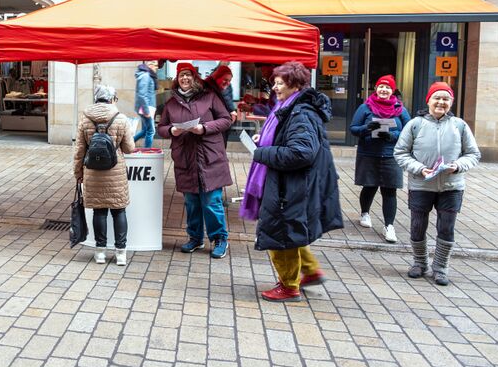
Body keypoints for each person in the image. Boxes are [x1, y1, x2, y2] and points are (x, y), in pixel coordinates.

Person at [249, 61, 342, 302]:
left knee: (279, 232)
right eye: (275, 83)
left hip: (290, 185)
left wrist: (262, 152)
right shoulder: (292, 107)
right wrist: (266, 138)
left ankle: (289, 286)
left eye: (280, 84)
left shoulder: (301, 113)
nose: (275, 89)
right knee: (289, 229)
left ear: (295, 85)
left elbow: (301, 152)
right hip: (292, 184)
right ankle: (310, 272)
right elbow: (287, 138)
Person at [394, 82, 480, 286]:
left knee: (446, 228)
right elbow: (400, 152)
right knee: (417, 226)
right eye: (437, 98)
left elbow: (473, 154)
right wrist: (419, 168)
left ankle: (440, 268)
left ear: (451, 102)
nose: (441, 102)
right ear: (429, 100)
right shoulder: (415, 124)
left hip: (452, 186)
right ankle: (419, 263)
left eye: (446, 99)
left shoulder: (459, 125)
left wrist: (458, 165)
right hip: (421, 185)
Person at [157, 63, 232, 259]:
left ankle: (220, 239)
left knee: (211, 201)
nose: (185, 79)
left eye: (189, 75)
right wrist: (171, 131)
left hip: (210, 156)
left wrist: (204, 128)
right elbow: (161, 128)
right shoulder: (171, 103)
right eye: (182, 75)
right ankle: (195, 238)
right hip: (186, 158)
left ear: (195, 78)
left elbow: (226, 120)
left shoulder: (209, 96)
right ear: (177, 79)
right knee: (191, 202)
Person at [73, 85, 135, 266]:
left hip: (92, 171)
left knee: (99, 211)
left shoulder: (85, 119)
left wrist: (78, 173)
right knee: (119, 210)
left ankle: (100, 252)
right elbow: (129, 149)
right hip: (115, 171)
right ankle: (121, 253)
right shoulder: (121, 119)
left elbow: (79, 150)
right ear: (113, 99)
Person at [349, 75, 411, 243]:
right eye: (381, 86)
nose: (384, 90)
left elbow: (409, 131)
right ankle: (365, 213)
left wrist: (391, 135)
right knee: (369, 186)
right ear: (376, 88)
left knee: (389, 190)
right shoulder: (365, 107)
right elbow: (353, 128)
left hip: (391, 154)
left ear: (393, 91)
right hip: (368, 153)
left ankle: (389, 226)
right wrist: (366, 128)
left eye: (388, 87)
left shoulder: (400, 109)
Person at [204, 64, 237, 146]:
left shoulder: (216, 88)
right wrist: (231, 111)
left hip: (216, 128)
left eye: (230, 81)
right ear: (217, 77)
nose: (228, 83)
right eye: (225, 80)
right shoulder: (210, 90)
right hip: (213, 130)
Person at [134, 60, 159, 148]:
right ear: (149, 65)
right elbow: (142, 95)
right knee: (151, 131)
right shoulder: (146, 76)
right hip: (146, 108)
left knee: (145, 130)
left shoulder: (148, 75)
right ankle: (147, 151)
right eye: (154, 65)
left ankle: (128, 143)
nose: (156, 67)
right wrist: (147, 111)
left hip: (147, 108)